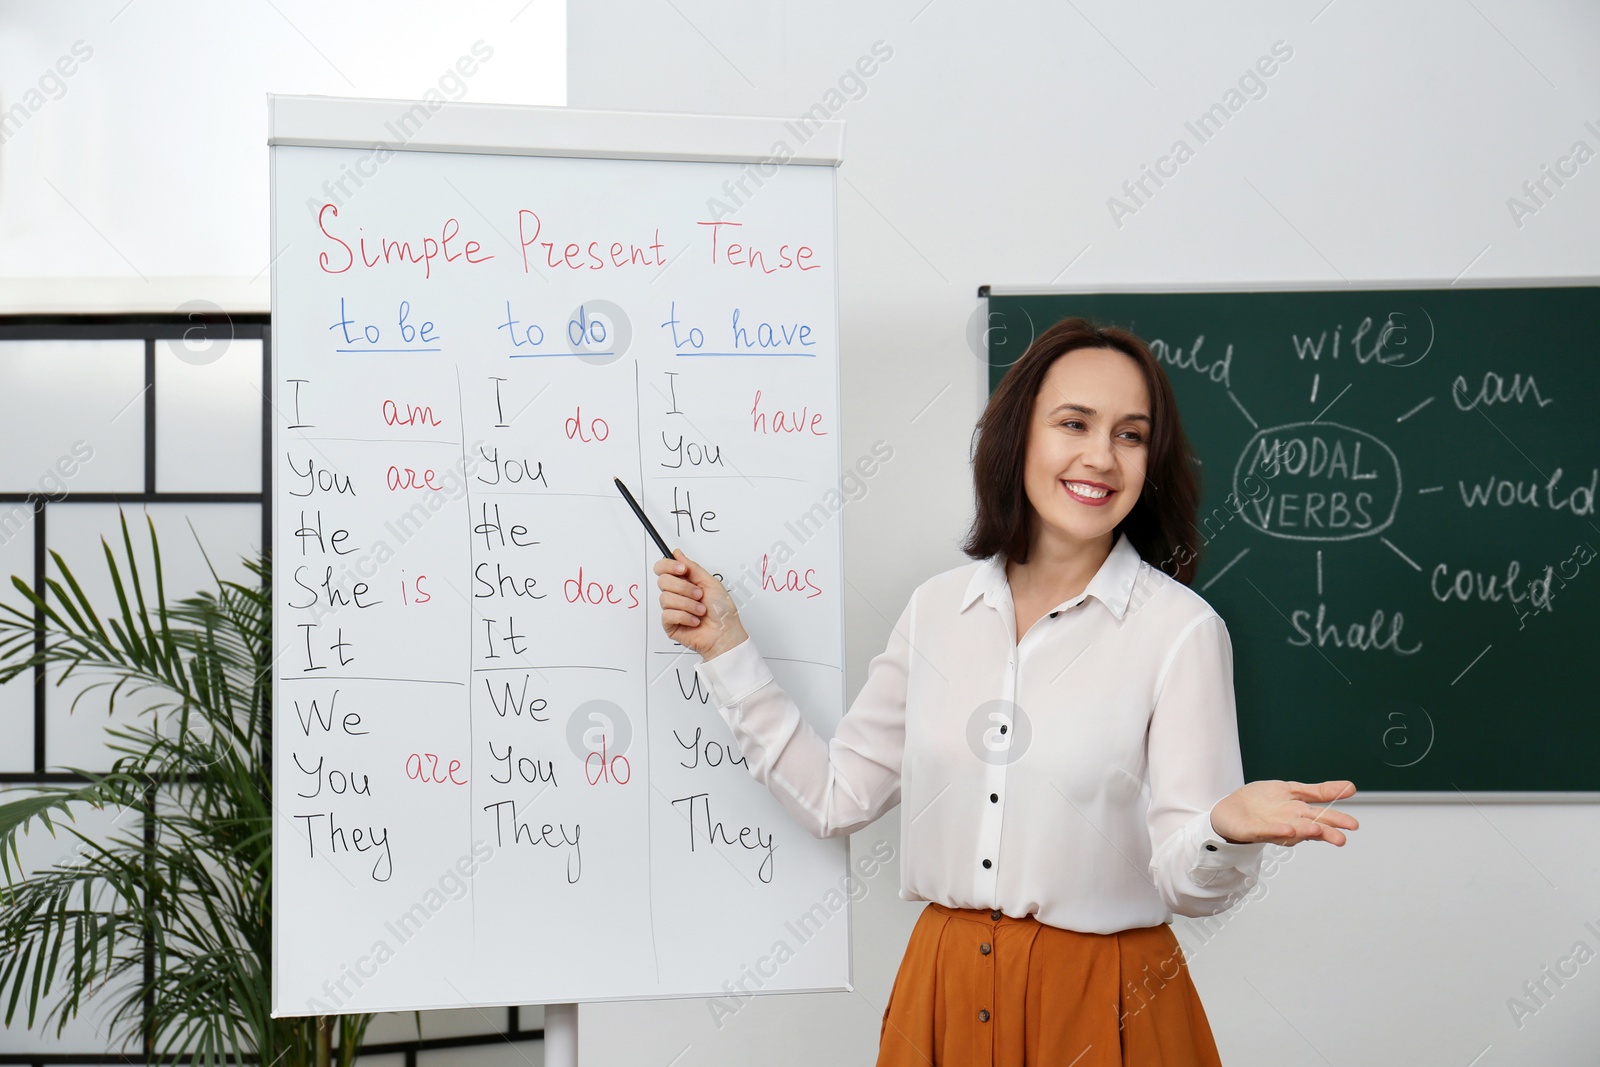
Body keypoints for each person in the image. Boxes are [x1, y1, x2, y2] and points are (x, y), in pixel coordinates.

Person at [652, 317, 1359, 1065]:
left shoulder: (1181, 631)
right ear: (1018, 434)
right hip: (943, 993)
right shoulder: (936, 609)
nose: (1100, 456)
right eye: (1074, 423)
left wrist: (1224, 824)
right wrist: (725, 647)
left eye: (1130, 434)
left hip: (1104, 1002)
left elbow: (1191, 884)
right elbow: (835, 797)